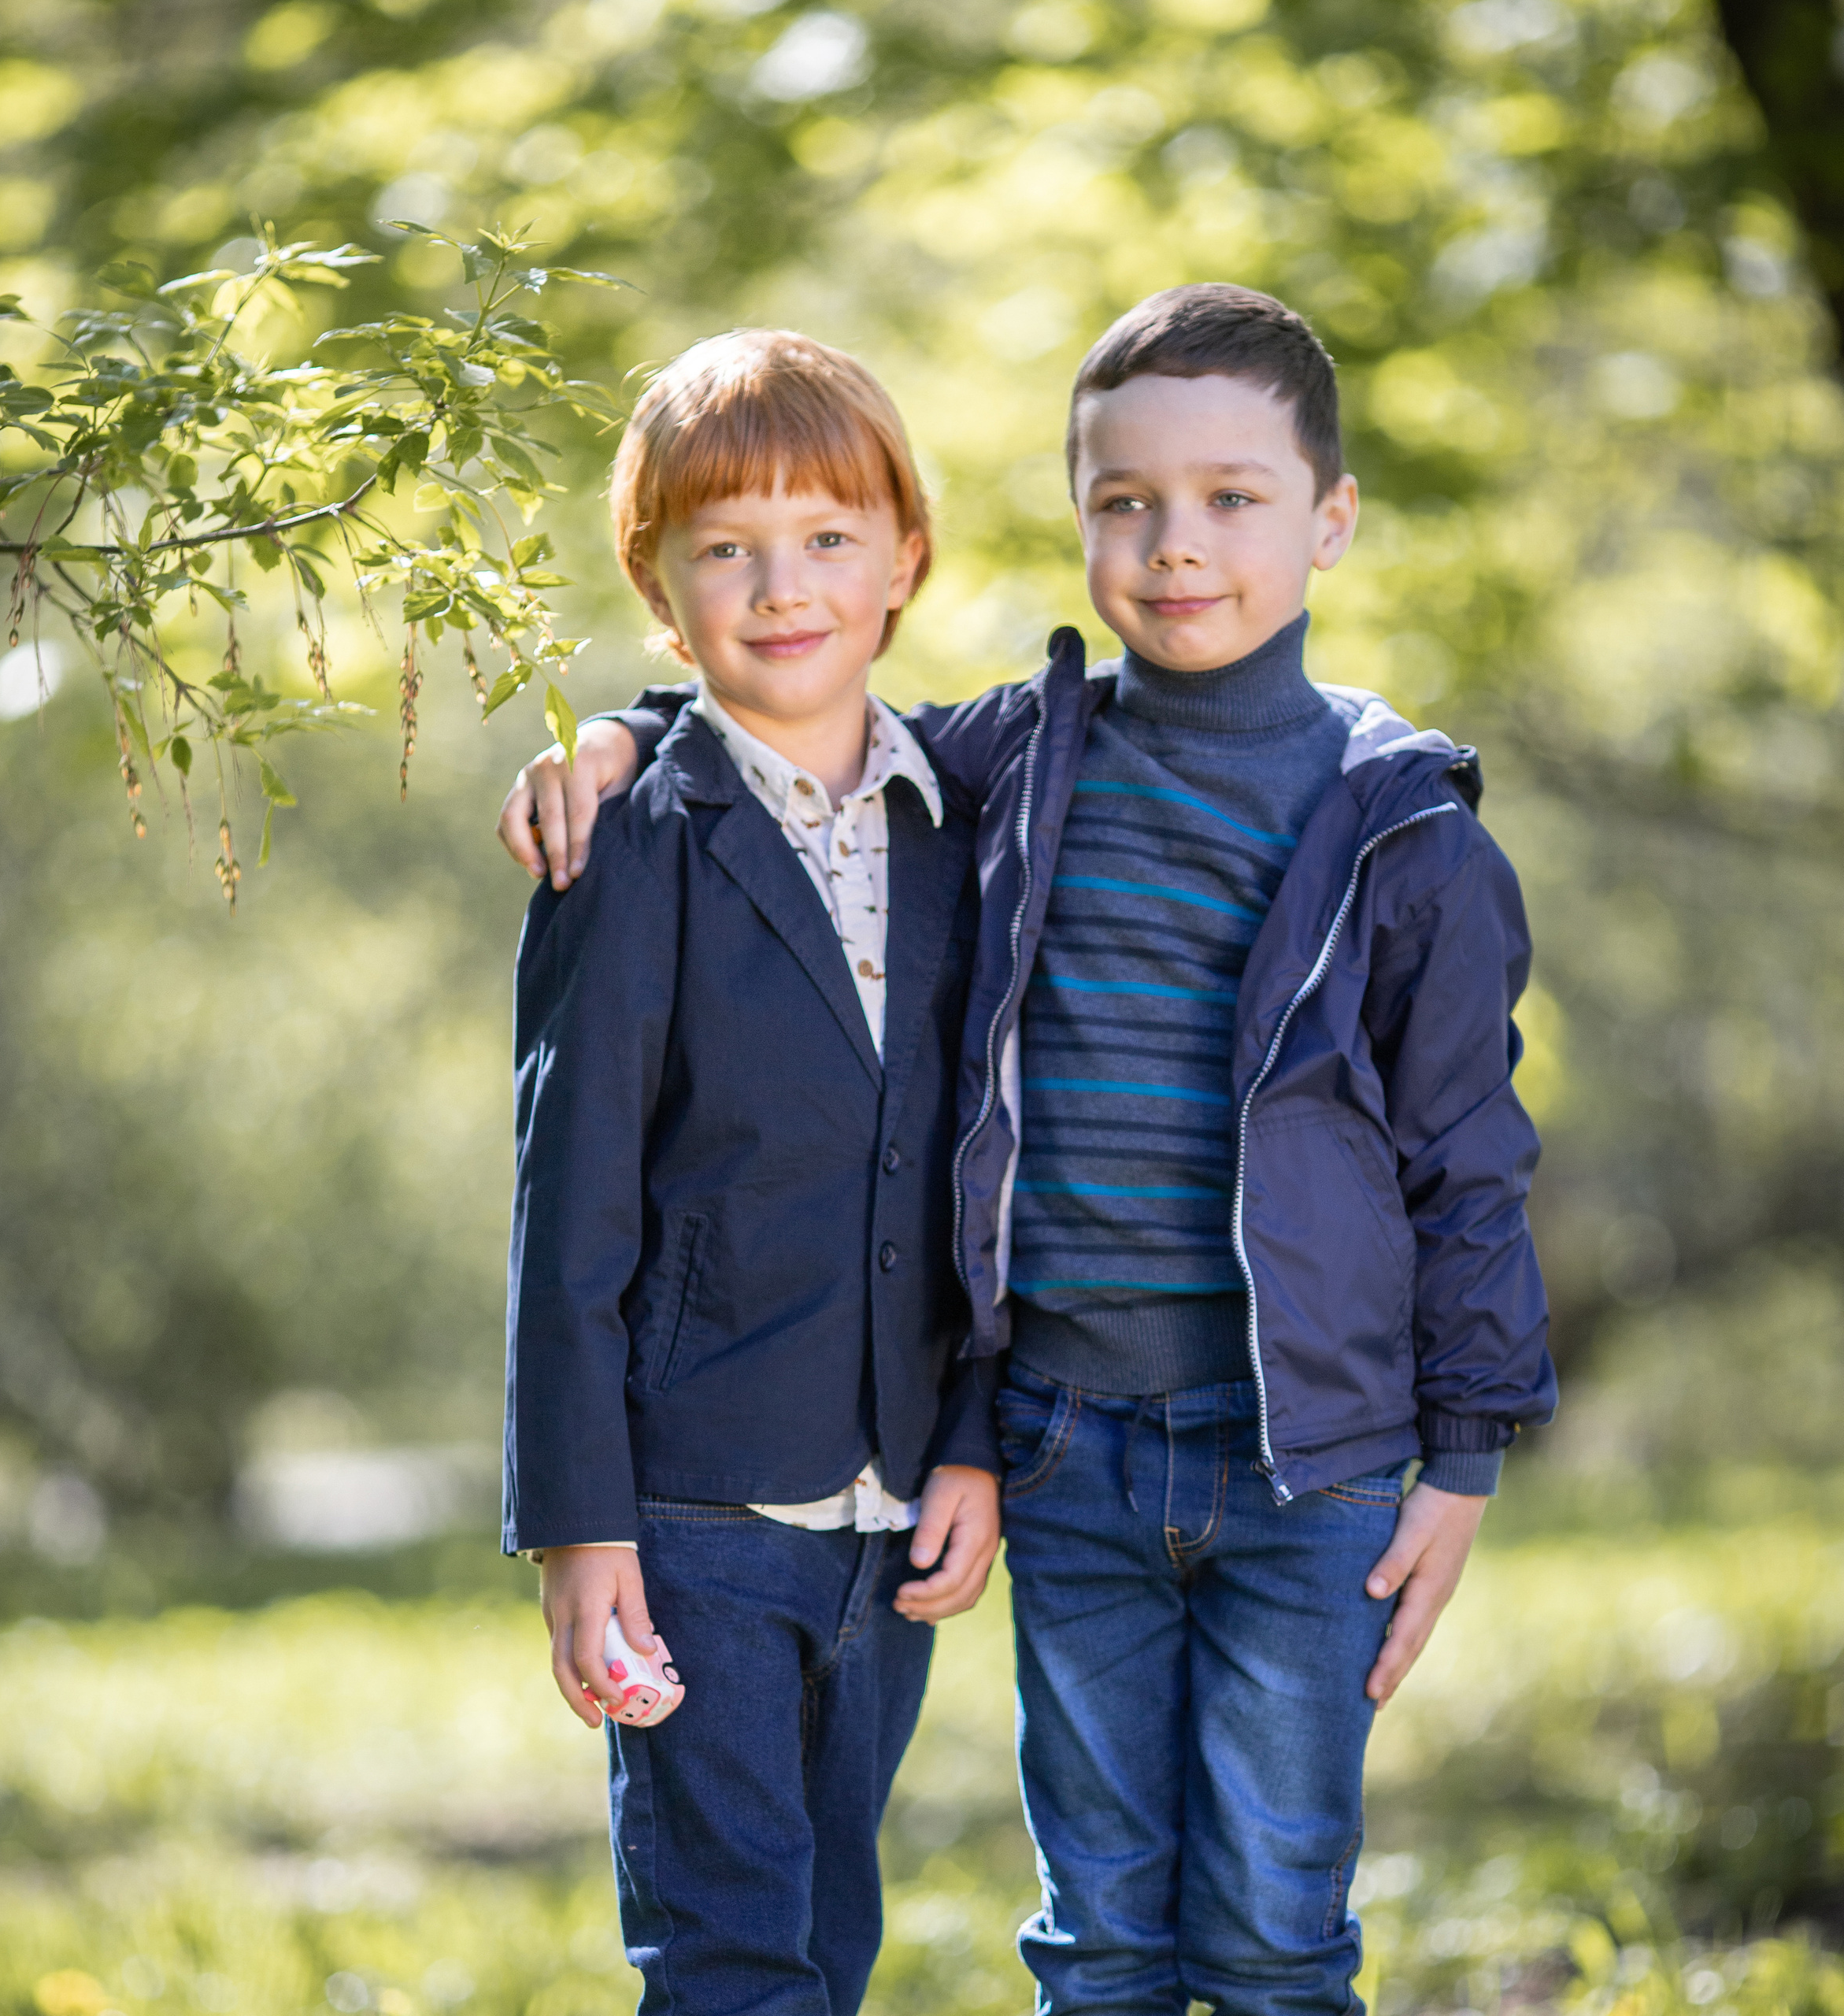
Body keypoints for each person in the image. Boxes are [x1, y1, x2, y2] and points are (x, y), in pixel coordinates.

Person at [503, 284, 1556, 2016]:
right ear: (1076, 518)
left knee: (1273, 1930)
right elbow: (767, 717)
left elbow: (1467, 1158)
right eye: (1125, 501)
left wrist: (1464, 1449)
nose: (1176, 543)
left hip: (1304, 1458)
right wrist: (618, 737)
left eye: (1231, 497)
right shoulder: (1019, 760)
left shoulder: (1392, 823)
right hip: (1062, 1442)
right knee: (1090, 1933)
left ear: (1331, 518)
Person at [503, 326, 1003, 2016]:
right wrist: (580, 1527)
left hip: (893, 1519)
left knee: (830, 1941)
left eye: (827, 537)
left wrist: (972, 1439)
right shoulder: (628, 837)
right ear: (659, 583)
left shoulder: (965, 826)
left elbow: (987, 1174)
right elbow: (567, 1208)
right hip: (694, 1512)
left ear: (904, 559)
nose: (781, 587)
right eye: (725, 548)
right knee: (730, 1956)